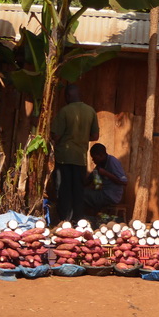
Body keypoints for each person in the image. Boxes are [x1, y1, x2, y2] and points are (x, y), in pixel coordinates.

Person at [51, 84, 99, 222]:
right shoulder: (91, 111)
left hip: (64, 158)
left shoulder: (64, 111)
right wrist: (82, 137)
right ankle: (78, 221)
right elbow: (95, 136)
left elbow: (56, 136)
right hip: (80, 158)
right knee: (78, 190)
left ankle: (64, 221)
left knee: (63, 190)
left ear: (67, 96)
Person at [84, 143, 127, 213]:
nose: (93, 160)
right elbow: (90, 181)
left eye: (94, 158)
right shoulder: (99, 166)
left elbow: (124, 182)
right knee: (81, 193)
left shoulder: (113, 162)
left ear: (101, 155)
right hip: (102, 193)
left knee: (83, 195)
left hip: (111, 196)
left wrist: (106, 174)